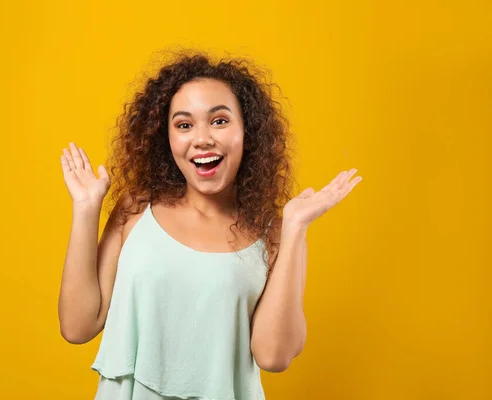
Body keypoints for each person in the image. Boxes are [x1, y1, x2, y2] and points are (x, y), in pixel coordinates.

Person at [57, 51, 362, 400]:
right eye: (184, 125)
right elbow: (77, 326)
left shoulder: (274, 234)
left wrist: (295, 227)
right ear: (165, 138)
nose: (202, 139)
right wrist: (85, 209)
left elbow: (274, 357)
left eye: (219, 121)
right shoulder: (136, 209)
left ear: (248, 130)